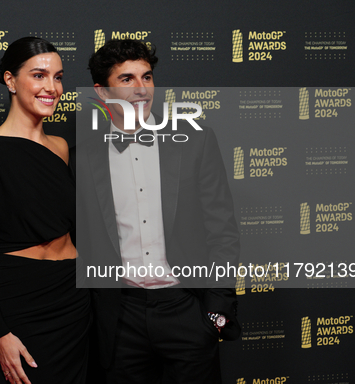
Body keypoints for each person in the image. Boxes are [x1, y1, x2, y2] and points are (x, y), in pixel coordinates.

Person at [73, 39, 240, 383]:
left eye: (147, 77)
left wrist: (216, 310)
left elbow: (222, 229)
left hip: (186, 306)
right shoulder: (81, 158)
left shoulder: (195, 141)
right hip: (121, 316)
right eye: (127, 79)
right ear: (102, 93)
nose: (141, 89)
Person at [0, 37, 90, 384]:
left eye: (58, 77)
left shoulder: (60, 149)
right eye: (39, 75)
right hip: (22, 301)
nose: (52, 87)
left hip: (75, 296)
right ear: (10, 80)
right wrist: (0, 333)